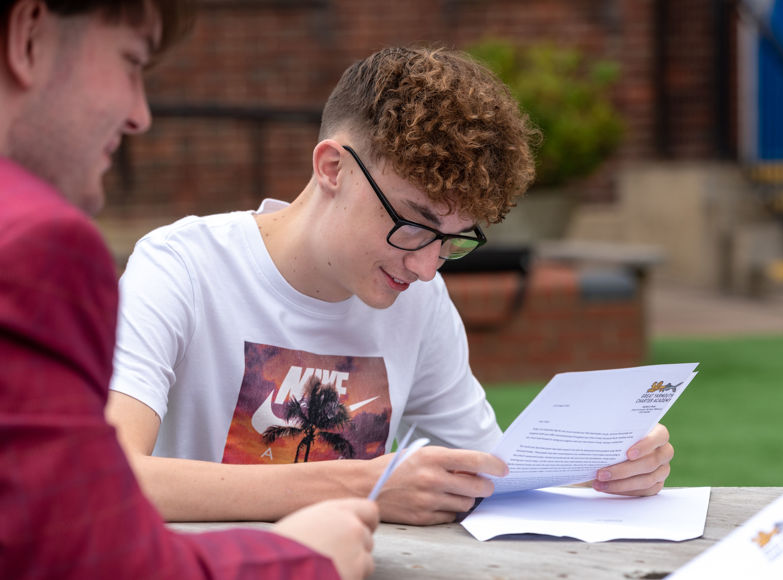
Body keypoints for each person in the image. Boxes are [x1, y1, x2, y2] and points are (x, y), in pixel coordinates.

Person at [106, 45, 676, 526]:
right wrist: (365, 487)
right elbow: (107, 475)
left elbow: (491, 475)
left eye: (451, 240)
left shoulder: (419, 299)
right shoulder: (183, 267)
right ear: (333, 168)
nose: (427, 267)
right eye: (413, 224)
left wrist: (605, 469)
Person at [0, 1, 377, 578]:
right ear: (28, 37)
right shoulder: (39, 242)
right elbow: (90, 556)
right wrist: (303, 558)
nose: (140, 115)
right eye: (131, 63)